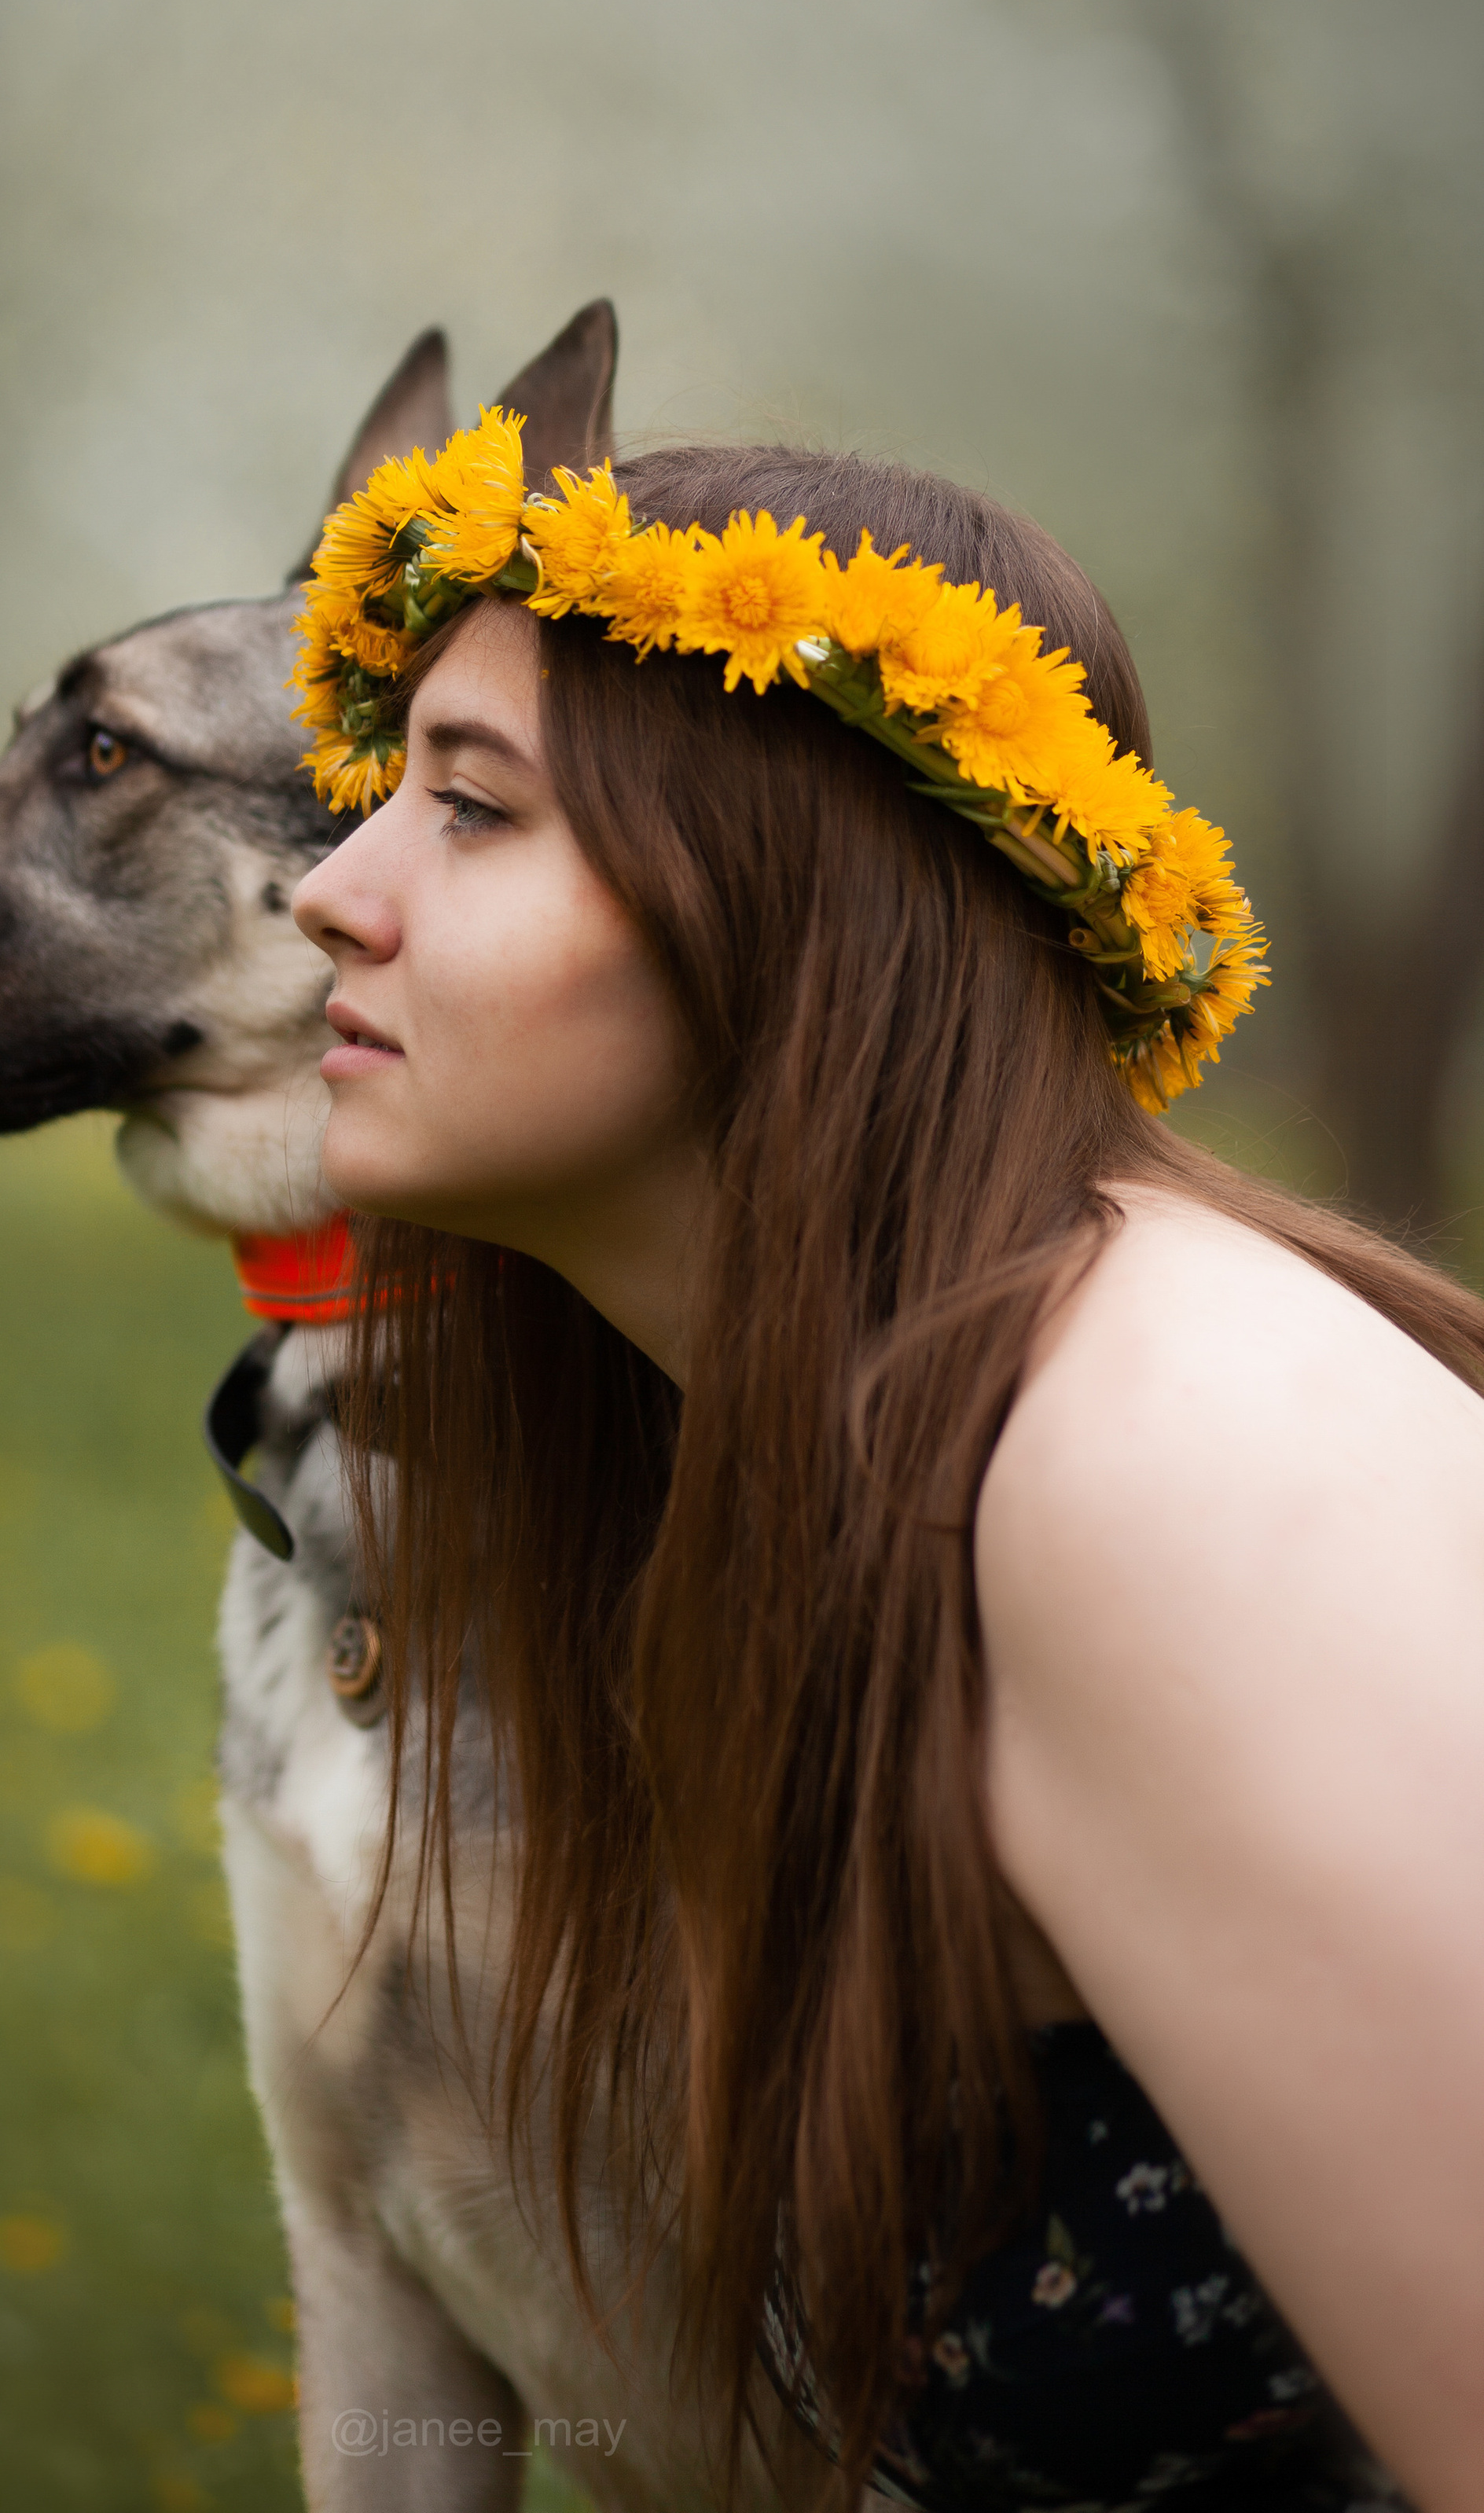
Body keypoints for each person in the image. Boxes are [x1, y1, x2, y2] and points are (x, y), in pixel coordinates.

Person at [287, 419, 1484, 2513]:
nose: (327, 888)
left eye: (470, 806)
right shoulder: (806, 1449)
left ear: (795, 893)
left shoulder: (1173, 1459)